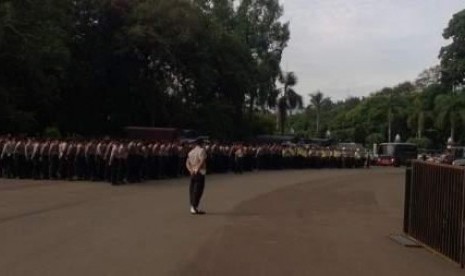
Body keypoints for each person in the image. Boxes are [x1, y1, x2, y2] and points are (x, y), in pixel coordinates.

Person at [185, 139, 207, 215]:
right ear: (201, 143)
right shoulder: (201, 150)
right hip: (199, 172)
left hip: (193, 172)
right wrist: (198, 168)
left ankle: (193, 206)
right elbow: (202, 160)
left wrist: (190, 170)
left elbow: (187, 163)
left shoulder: (191, 152)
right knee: (198, 190)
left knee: (192, 189)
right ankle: (194, 207)